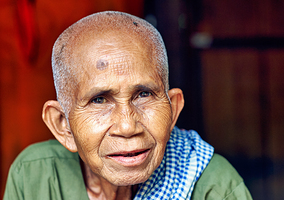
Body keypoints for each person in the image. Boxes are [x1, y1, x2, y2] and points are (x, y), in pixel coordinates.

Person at [4, 11, 252, 200]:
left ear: (173, 109)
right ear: (62, 125)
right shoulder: (35, 175)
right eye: (99, 100)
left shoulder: (215, 187)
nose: (127, 126)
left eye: (143, 94)